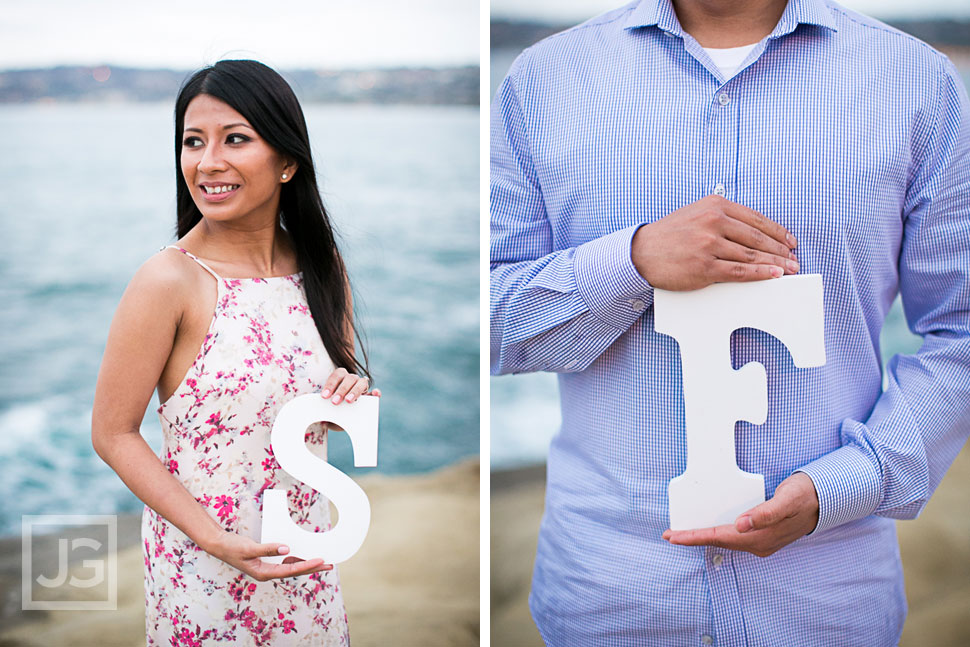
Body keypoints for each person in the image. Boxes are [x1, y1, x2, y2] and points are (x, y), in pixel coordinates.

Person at [490, 0, 970, 644]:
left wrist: (850, 482)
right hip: (607, 596)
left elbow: (960, 326)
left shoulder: (915, 81)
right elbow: (495, 317)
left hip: (829, 596)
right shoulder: (543, 81)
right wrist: (632, 262)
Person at [92, 59, 378, 646]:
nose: (207, 162)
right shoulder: (168, 280)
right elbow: (113, 432)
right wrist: (216, 540)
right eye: (192, 142)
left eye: (236, 139)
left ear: (288, 162)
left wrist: (352, 394)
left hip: (306, 559)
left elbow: (328, 413)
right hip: (204, 570)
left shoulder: (323, 270)